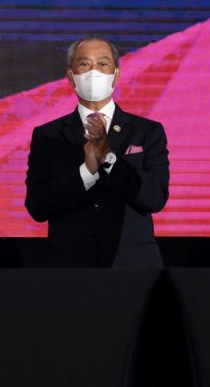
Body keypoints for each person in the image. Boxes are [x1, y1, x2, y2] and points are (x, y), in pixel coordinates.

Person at [25, 35, 170, 268]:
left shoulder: (147, 132)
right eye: (84, 64)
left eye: (103, 64)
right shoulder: (48, 135)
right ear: (71, 76)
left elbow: (155, 197)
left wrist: (108, 158)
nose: (94, 72)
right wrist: (86, 172)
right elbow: (38, 207)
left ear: (116, 74)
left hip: (133, 267)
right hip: (69, 268)